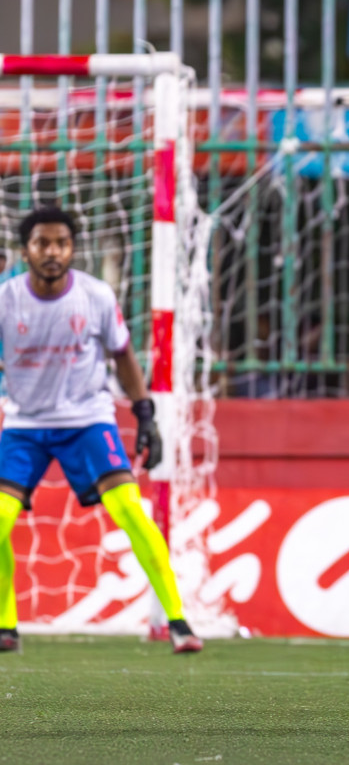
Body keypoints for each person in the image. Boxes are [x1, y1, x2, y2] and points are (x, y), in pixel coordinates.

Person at [0, 206, 201, 653]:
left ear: (72, 248)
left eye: (61, 243)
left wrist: (145, 415)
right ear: (26, 250)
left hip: (88, 421)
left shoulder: (96, 296)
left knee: (131, 510)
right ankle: (6, 625)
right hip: (24, 426)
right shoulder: (6, 299)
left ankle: (178, 622)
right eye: (42, 243)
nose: (52, 252)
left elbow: (123, 356)